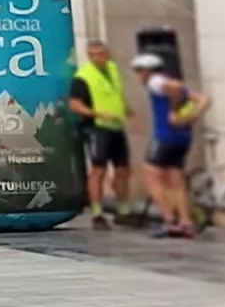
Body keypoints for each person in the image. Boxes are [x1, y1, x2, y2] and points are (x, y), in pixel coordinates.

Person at [137, 59, 205, 238]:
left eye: (139, 71)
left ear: (146, 71)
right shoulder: (179, 88)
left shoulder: (155, 81)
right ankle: (185, 221)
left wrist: (173, 110)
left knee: (149, 174)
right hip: (182, 137)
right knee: (176, 180)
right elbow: (203, 98)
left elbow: (173, 87)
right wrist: (192, 115)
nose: (138, 76)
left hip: (164, 137)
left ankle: (169, 220)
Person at [67, 41, 130, 221]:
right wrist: (96, 113)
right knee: (98, 169)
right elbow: (75, 105)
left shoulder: (113, 69)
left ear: (107, 54)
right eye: (93, 55)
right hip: (95, 127)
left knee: (122, 169)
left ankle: (123, 209)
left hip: (116, 125)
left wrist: (128, 111)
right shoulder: (83, 77)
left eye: (101, 54)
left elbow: (116, 95)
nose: (97, 58)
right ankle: (97, 211)